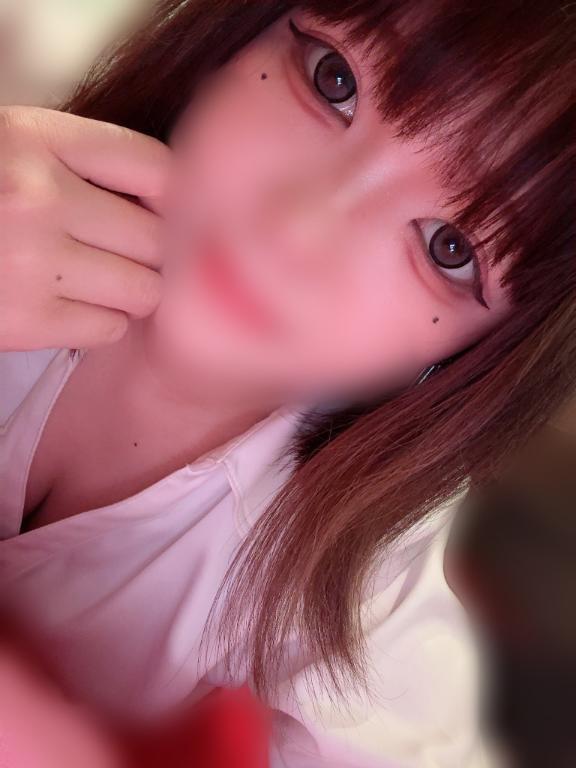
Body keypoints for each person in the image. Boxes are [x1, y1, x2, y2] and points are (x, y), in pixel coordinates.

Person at [0, 1, 574, 765]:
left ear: (481, 355)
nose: (297, 232)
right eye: (335, 81)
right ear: (232, 37)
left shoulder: (362, 623)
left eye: (450, 249)